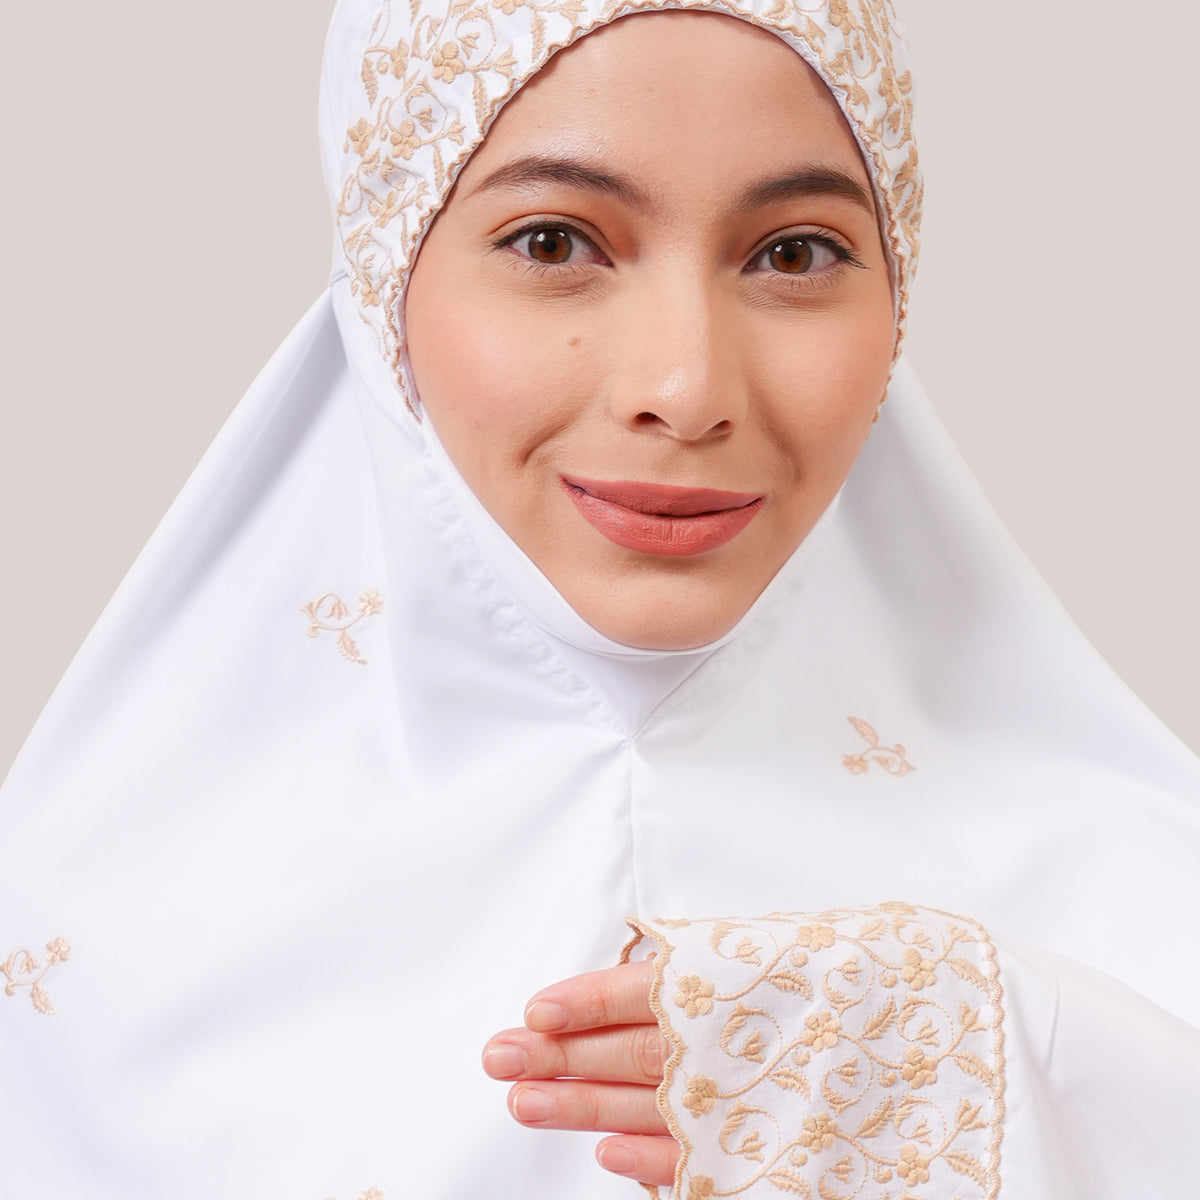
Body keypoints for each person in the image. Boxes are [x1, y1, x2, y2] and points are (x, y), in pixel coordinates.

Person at [0, 2, 1196, 1200]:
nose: (687, 386)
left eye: (793, 254)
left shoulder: (1145, 905)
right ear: (384, 284)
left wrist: (1034, 1079)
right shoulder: (93, 940)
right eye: (554, 241)